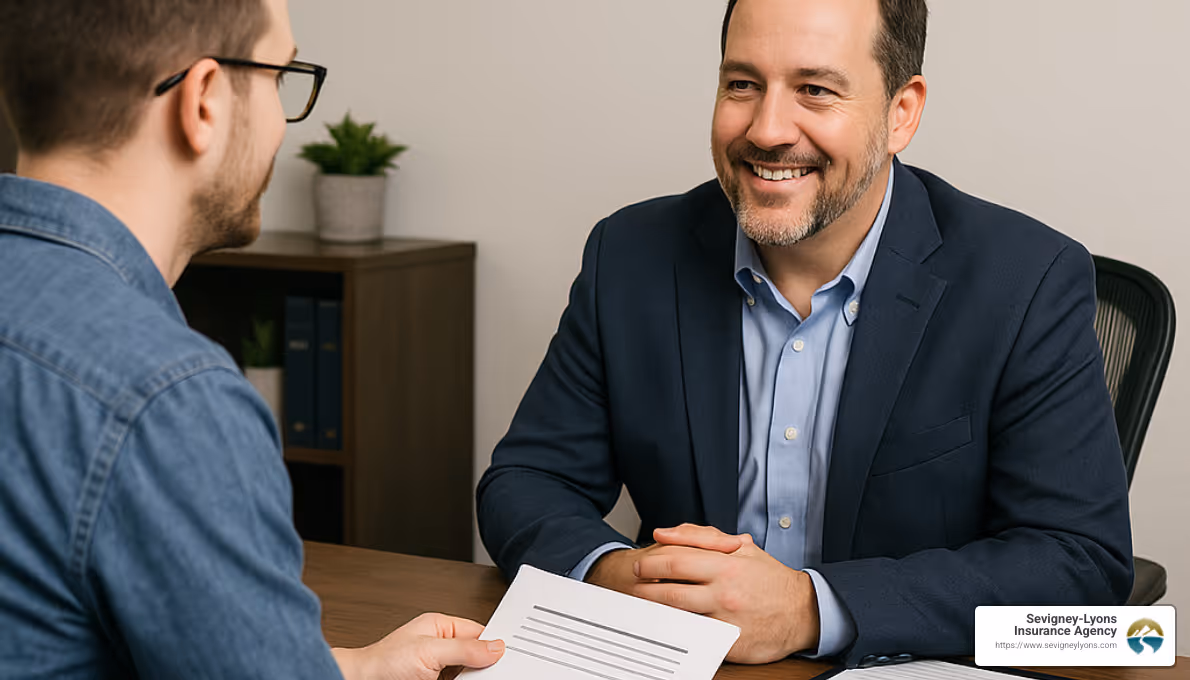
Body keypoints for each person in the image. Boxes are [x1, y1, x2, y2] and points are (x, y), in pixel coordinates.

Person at [477, 0, 1133, 668]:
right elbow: (527, 480)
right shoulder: (631, 255)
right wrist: (619, 577)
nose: (766, 129)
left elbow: (1081, 570)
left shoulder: (1026, 280)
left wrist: (810, 608)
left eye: (816, 90)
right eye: (742, 84)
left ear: (900, 112)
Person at [0, 1, 504, 677]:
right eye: (280, 75)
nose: (281, 121)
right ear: (204, 99)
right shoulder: (166, 398)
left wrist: (340, 668)